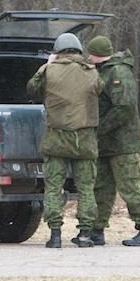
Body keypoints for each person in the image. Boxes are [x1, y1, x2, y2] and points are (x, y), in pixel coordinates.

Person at [27, 33, 104, 248]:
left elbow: (32, 89)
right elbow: (101, 89)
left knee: (53, 188)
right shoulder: (91, 72)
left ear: (57, 51)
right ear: (79, 50)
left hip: (56, 139)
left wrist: (45, 66)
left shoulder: (50, 70)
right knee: (86, 188)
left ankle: (55, 235)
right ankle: (85, 235)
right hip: (85, 140)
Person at [81, 36, 140, 247]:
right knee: (101, 188)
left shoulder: (118, 72)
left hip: (122, 143)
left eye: (90, 53)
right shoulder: (104, 71)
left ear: (96, 53)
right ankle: (97, 230)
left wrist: (100, 128)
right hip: (106, 143)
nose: (88, 57)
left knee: (130, 186)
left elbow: (124, 108)